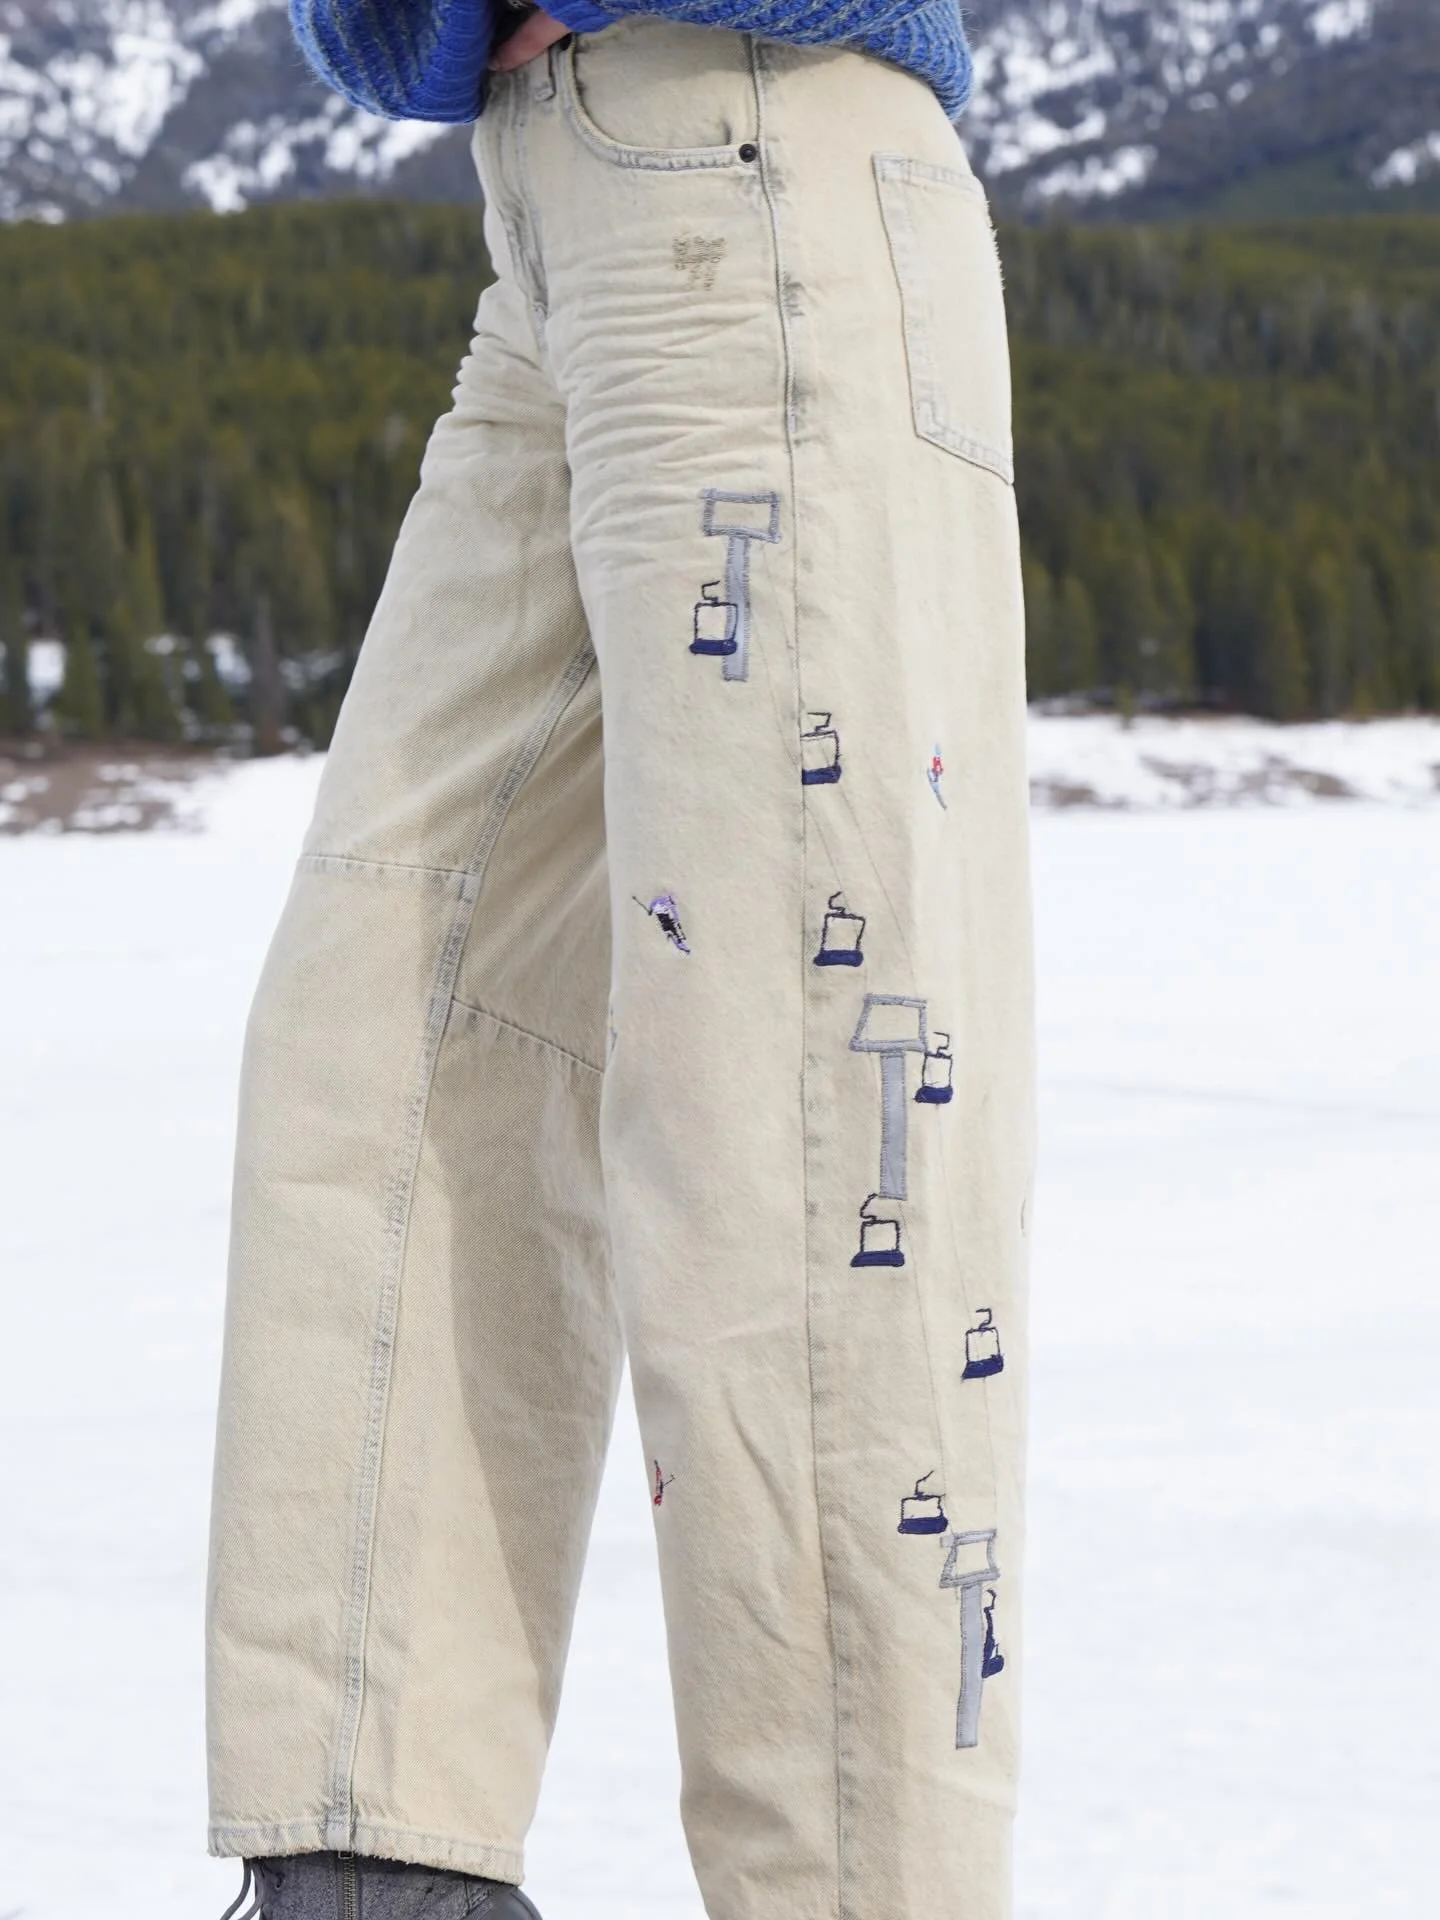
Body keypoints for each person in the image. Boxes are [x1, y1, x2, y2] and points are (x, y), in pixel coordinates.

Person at [207, 0, 1036, 1914]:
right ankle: (380, 1867)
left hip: (756, 154)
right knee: (391, 1026)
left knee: (799, 1145)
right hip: (553, 213)